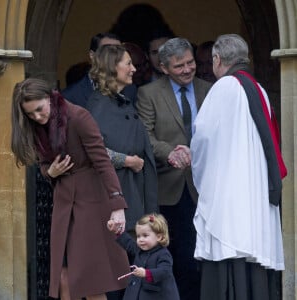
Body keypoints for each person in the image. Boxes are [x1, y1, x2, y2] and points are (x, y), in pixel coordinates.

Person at [11, 78, 130, 300]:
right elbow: (45, 165)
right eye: (30, 114)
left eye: (39, 109)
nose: (37, 117)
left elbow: (102, 161)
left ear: (50, 97)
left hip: (91, 202)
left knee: (91, 282)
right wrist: (49, 173)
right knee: (64, 279)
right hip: (64, 203)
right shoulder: (37, 127)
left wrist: (117, 205)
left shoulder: (78, 117)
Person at [190, 34, 287, 300]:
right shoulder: (261, 91)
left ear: (218, 60)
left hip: (230, 194)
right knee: (252, 254)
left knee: (230, 248)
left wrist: (201, 175)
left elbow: (203, 137)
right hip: (254, 192)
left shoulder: (224, 87)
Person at [136, 37, 212, 300]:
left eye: (190, 62)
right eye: (179, 66)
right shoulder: (149, 94)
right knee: (176, 257)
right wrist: (170, 153)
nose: (188, 69)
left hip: (206, 187)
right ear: (164, 67)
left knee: (202, 256)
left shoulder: (210, 90)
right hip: (169, 189)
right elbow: (145, 136)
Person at [86, 44, 158, 234]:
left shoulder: (119, 101)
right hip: (116, 198)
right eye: (128, 64)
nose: (133, 69)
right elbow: (93, 151)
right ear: (112, 67)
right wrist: (127, 161)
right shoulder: (99, 106)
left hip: (133, 192)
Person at [107, 213, 180, 300]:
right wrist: (117, 230)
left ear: (159, 237)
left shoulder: (163, 254)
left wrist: (147, 273)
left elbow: (165, 271)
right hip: (135, 293)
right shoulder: (139, 249)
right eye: (138, 236)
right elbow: (128, 243)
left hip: (156, 296)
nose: (140, 239)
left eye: (145, 236)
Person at [62, 32, 137, 107]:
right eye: (108, 52)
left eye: (118, 52)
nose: (113, 58)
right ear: (92, 55)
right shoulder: (71, 96)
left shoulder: (130, 90)